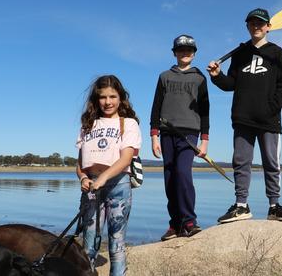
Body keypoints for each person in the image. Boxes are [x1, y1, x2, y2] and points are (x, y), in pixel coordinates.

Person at [207, 7, 282, 223]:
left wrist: (270, 109)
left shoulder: (277, 53)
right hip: (242, 117)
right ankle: (241, 205)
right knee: (241, 161)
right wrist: (217, 76)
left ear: (268, 27)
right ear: (247, 26)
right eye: (252, 23)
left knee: (271, 163)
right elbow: (231, 84)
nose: (256, 26)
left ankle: (274, 206)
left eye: (260, 23)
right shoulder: (240, 53)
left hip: (269, 119)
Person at [76, 75, 141, 276]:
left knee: (116, 239)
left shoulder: (128, 124)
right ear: (96, 99)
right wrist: (83, 178)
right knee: (89, 240)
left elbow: (125, 159)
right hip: (92, 187)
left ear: (121, 98)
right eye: (103, 97)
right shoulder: (88, 125)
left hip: (118, 185)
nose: (108, 102)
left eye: (113, 96)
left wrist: (104, 178)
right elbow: (79, 164)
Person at [150, 34, 210, 241]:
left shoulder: (200, 78)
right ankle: (175, 223)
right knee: (170, 179)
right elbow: (156, 107)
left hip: (189, 133)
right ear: (174, 53)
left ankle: (189, 221)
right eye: (181, 49)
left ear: (194, 54)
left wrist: (205, 139)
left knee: (183, 174)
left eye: (189, 50)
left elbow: (205, 111)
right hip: (167, 132)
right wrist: (154, 136)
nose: (185, 53)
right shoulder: (164, 76)